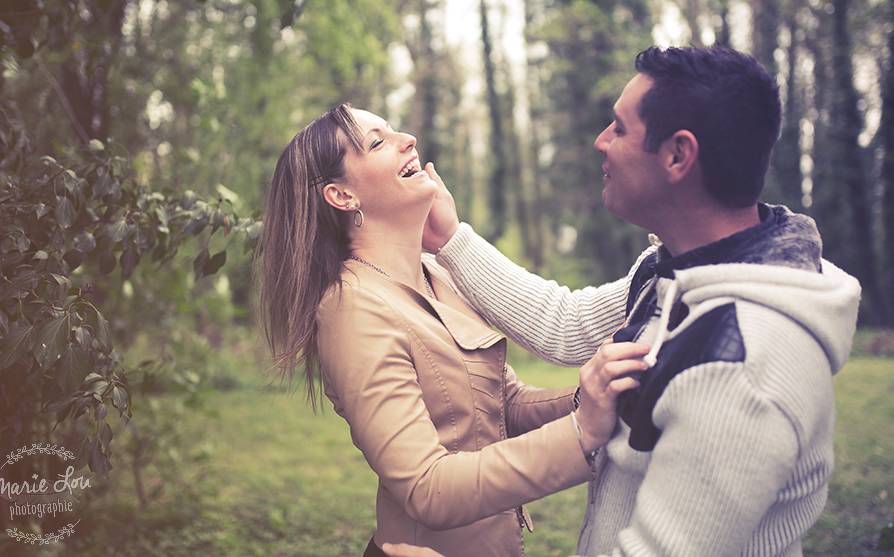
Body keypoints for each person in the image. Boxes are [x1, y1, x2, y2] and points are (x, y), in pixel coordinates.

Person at [386, 46, 862, 557]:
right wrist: (452, 240)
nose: (600, 142)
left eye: (618, 128)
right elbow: (565, 324)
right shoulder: (674, 269)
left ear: (679, 155)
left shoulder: (739, 365)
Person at [255, 104, 651, 557]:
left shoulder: (436, 274)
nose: (408, 140)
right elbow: (425, 487)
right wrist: (582, 431)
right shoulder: (351, 307)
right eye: (378, 141)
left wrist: (600, 395)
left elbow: (505, 406)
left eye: (396, 129)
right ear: (342, 196)